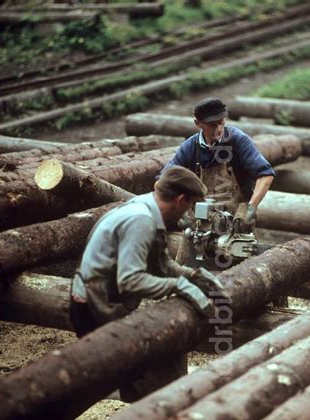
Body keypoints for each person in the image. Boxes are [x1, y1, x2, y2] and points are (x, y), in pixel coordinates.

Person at [70, 166, 226, 401]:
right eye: (190, 205)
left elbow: (161, 264)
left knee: (141, 372)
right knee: (130, 375)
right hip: (94, 307)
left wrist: (192, 276)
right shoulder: (141, 220)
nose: (189, 212)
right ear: (181, 199)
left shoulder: (149, 209)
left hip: (106, 300)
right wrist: (177, 286)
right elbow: (130, 280)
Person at [161, 97, 275, 264]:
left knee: (245, 274)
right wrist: (178, 211)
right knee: (186, 271)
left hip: (236, 224)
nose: (219, 129)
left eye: (221, 122)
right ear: (198, 123)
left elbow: (266, 174)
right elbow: (162, 182)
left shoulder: (237, 140)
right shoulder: (190, 147)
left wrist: (251, 208)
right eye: (213, 125)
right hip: (199, 227)